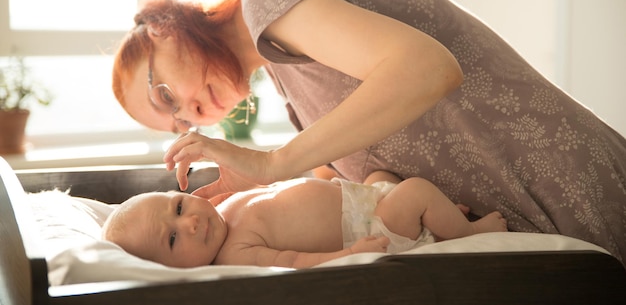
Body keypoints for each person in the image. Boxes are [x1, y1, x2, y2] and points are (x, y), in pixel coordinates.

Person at [112, 0, 626, 265]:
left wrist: (273, 163)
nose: (193, 114)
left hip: (563, 179)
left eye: (165, 95)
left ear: (162, 29)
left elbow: (427, 68)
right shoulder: (291, 89)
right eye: (179, 122)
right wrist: (261, 188)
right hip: (530, 220)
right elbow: (348, 193)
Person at [102, 169, 508, 268]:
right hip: (371, 229)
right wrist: (352, 253)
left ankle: (436, 221)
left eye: (177, 207)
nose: (189, 222)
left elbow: (276, 192)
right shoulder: (234, 254)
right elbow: (296, 262)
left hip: (363, 197)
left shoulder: (221, 209)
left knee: (381, 177)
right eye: (173, 240)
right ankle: (469, 232)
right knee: (414, 191)